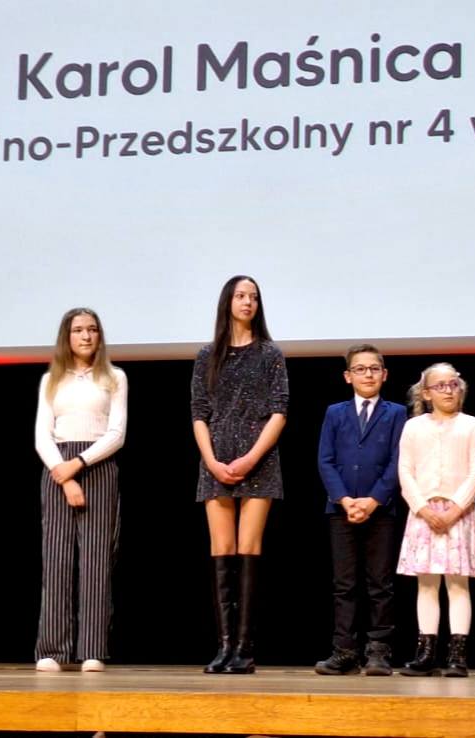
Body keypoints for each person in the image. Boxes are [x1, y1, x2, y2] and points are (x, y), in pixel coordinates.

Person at [191, 275, 288, 674]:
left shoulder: (270, 353)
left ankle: (245, 649)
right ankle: (225, 646)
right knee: (222, 549)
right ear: (227, 302)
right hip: (216, 459)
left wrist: (250, 458)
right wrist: (212, 461)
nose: (248, 302)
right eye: (240, 296)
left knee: (248, 549)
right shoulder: (207, 355)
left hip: (258, 459)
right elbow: (199, 413)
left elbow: (280, 411)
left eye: (254, 297)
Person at [33, 308, 127, 673]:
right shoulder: (51, 380)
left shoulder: (114, 377)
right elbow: (42, 436)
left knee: (96, 560)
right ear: (67, 337)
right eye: (78, 330)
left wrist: (80, 464)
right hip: (58, 467)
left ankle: (92, 648)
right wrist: (65, 474)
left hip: (97, 466)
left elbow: (116, 434)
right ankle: (52, 649)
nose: (86, 336)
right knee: (56, 558)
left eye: (92, 329)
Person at [315, 344, 406, 676]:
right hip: (341, 510)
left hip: (381, 510)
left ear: (385, 374)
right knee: (345, 584)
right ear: (347, 376)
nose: (367, 375)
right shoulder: (335, 412)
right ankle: (345, 651)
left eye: (374, 368)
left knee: (380, 583)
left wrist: (374, 499)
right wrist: (344, 499)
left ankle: (379, 651)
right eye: (360, 369)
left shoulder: (396, 413)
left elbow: (398, 460)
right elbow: (325, 460)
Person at [396, 362, 475, 677]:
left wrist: (454, 509)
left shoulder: (472, 425)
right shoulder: (414, 427)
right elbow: (405, 471)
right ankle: (425, 654)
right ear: (426, 393)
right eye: (441, 386)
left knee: (457, 583)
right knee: (426, 583)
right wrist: (422, 508)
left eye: (453, 385)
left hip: (458, 513)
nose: (449, 391)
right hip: (423, 513)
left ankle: (457, 656)